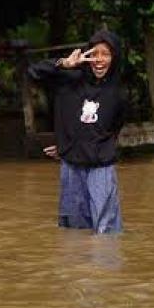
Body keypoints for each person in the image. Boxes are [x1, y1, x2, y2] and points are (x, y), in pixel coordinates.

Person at [29, 29, 126, 234]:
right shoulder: (69, 79)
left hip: (101, 166)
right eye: (94, 53)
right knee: (73, 231)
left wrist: (79, 144)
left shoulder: (118, 92)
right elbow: (33, 71)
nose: (99, 60)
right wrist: (64, 63)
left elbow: (112, 128)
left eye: (106, 54)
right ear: (86, 54)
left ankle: (103, 266)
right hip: (71, 164)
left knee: (105, 228)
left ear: (114, 58)